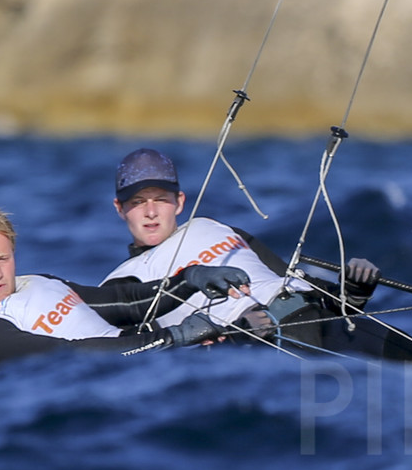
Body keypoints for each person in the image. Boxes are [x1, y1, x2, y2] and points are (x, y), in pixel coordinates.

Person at [99, 148, 381, 348]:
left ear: (180, 202)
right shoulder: (122, 284)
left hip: (322, 322)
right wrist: (233, 337)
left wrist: (352, 292)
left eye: (160, 199)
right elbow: (140, 353)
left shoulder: (217, 228)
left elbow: (293, 281)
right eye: (137, 202)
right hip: (259, 350)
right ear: (119, 209)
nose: (150, 212)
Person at [0, 203, 249, 386]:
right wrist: (172, 339)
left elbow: (124, 302)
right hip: (104, 406)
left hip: (148, 367)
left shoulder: (34, 283)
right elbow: (69, 358)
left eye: (3, 258)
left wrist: (189, 279)